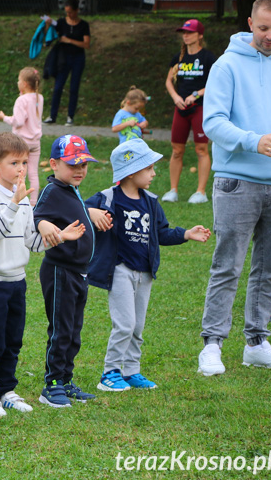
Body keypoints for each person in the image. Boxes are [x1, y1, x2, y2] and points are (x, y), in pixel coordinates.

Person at [197, 0, 271, 376]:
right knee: (227, 265)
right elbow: (212, 122)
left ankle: (257, 342)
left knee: (269, 268)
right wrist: (254, 140)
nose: (270, 36)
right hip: (237, 182)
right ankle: (212, 345)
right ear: (250, 23)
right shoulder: (227, 65)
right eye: (263, 27)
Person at [86, 139, 211, 392]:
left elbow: (161, 233)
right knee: (125, 324)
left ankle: (131, 371)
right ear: (131, 172)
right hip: (119, 270)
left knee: (138, 326)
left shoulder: (151, 201)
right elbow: (77, 207)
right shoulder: (108, 198)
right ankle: (110, 372)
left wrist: (186, 233)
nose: (154, 174)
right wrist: (91, 213)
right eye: (149, 168)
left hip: (145, 273)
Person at [0, 133, 84, 417]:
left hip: (16, 282)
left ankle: (7, 390)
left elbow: (33, 243)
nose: (21, 169)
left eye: (24, 162)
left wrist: (61, 236)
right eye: (14, 163)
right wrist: (14, 202)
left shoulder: (22, 201)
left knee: (13, 340)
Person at [33, 135, 111, 407]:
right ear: (54, 164)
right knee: (61, 329)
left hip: (80, 273)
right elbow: (37, 215)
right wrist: (43, 226)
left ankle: (65, 380)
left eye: (84, 165)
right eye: (72, 165)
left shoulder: (71, 189)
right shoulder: (53, 191)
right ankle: (52, 384)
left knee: (74, 330)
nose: (79, 170)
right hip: (60, 271)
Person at [161, 19, 216, 205]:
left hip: (199, 108)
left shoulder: (208, 58)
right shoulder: (179, 58)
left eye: (189, 32)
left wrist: (196, 94)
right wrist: (176, 97)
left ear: (200, 35)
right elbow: (169, 81)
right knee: (177, 150)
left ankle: (201, 192)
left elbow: (215, 84)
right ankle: (173, 190)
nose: (185, 35)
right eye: (183, 32)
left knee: (201, 149)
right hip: (181, 110)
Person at [0, 66, 44, 204]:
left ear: (24, 84)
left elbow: (18, 121)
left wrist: (4, 117)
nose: (17, 82)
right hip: (35, 142)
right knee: (33, 173)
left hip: (21, 143)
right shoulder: (38, 97)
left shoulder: (21, 101)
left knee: (18, 171)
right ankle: (34, 202)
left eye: (18, 80)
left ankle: (17, 198)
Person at [42, 0, 90, 126]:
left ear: (76, 11)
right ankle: (53, 115)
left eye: (71, 12)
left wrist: (69, 40)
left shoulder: (83, 25)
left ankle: (70, 116)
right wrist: (48, 24)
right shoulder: (62, 23)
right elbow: (50, 34)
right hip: (63, 58)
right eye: (67, 12)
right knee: (58, 87)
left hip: (78, 58)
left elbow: (86, 44)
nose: (68, 14)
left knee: (74, 87)